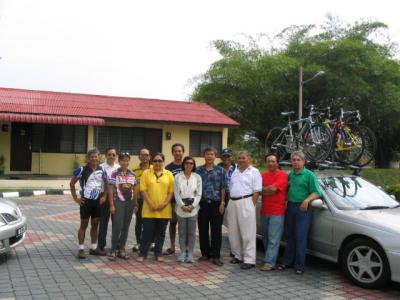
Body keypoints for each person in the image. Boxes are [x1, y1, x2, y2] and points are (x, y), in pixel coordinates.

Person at [278, 151, 321, 275]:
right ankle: (287, 262)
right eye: (293, 160)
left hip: (303, 209)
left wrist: (307, 200)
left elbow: (317, 192)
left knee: (300, 236)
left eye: (298, 160)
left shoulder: (309, 175)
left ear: (304, 161)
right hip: (290, 206)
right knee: (289, 235)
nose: (295, 162)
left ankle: (300, 265)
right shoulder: (290, 175)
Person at [227, 151, 262, 269]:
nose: (241, 160)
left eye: (243, 158)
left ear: (249, 158)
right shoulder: (235, 171)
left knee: (248, 233)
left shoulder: (254, 172)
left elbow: (256, 191)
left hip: (246, 202)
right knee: (233, 231)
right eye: (239, 158)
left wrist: (252, 206)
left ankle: (249, 259)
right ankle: (238, 255)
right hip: (232, 202)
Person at [137, 153, 174, 262]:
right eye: (155, 160)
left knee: (161, 233)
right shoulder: (146, 173)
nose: (157, 163)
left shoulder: (169, 174)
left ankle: (158, 253)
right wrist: (151, 204)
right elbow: (143, 190)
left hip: (164, 210)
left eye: (160, 161)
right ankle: (143, 253)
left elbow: (171, 192)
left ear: (163, 162)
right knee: (147, 232)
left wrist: (163, 204)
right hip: (149, 209)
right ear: (152, 162)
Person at [70, 148, 105, 259]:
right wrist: (76, 198)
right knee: (83, 225)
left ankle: (94, 248)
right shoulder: (82, 169)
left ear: (99, 157)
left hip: (97, 202)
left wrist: (104, 196)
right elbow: (72, 183)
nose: (94, 158)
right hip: (86, 202)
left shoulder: (102, 169)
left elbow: (107, 184)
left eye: (96, 156)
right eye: (92, 156)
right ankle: (81, 249)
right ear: (88, 158)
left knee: (95, 225)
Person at [196, 147, 226, 266]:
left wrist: (222, 202)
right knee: (202, 229)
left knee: (216, 230)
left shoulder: (220, 170)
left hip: (216, 204)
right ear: (204, 156)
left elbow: (223, 187)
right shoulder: (198, 170)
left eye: (212, 154)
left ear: (215, 156)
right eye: (207, 154)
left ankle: (215, 255)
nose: (209, 156)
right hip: (202, 204)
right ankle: (205, 253)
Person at [259, 153, 288, 271]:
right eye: (268, 161)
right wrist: (266, 190)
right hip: (264, 210)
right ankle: (270, 257)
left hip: (277, 212)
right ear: (265, 163)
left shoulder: (282, 175)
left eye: (273, 161)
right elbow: (258, 190)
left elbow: (273, 189)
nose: (271, 163)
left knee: (273, 238)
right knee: (265, 237)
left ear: (277, 163)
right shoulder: (263, 175)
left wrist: (263, 189)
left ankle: (270, 262)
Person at [107, 152, 137, 260]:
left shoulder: (132, 174)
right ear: (119, 161)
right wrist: (111, 205)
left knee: (125, 227)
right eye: (123, 160)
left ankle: (122, 249)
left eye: (127, 160)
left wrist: (135, 204)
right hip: (118, 202)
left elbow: (135, 189)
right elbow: (110, 189)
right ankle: (113, 250)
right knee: (117, 227)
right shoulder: (114, 173)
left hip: (129, 203)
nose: (125, 162)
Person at [174, 156, 202, 263]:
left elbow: (199, 194)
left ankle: (190, 254)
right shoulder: (178, 177)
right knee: (181, 232)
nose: (189, 165)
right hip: (181, 208)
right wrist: (182, 206)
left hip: (193, 209)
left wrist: (193, 206)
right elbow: (176, 193)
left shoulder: (197, 177)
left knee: (191, 233)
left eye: (191, 163)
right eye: (186, 163)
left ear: (193, 165)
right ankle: (182, 253)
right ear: (183, 164)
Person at [98, 147, 120, 256]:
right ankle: (101, 246)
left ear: (116, 156)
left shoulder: (119, 168)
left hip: (116, 197)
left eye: (113, 154)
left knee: (116, 223)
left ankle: (115, 246)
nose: (111, 156)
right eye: (109, 154)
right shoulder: (100, 167)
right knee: (103, 222)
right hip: (103, 197)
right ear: (106, 155)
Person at [164, 143, 184, 255]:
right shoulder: (168, 168)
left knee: (183, 225)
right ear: (172, 153)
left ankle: (184, 247)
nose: (177, 153)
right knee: (172, 223)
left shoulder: (187, 165)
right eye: (175, 151)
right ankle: (172, 246)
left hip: (185, 201)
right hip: (172, 201)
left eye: (179, 151)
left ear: (183, 152)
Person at [132, 148, 152, 252]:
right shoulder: (134, 171)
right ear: (139, 157)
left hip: (151, 201)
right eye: (142, 155)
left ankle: (151, 243)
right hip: (139, 200)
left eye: (146, 155)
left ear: (149, 157)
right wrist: (134, 203)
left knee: (151, 222)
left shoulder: (154, 169)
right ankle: (139, 242)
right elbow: (133, 188)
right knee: (139, 222)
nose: (144, 157)